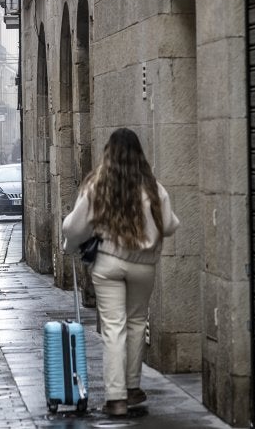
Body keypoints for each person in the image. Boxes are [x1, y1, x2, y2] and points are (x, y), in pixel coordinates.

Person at [60, 128, 180, 417]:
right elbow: (171, 224)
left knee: (113, 327)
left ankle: (116, 399)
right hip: (143, 264)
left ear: (108, 153)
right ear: (139, 154)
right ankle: (133, 388)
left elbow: (74, 227)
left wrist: (69, 246)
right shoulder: (153, 187)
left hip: (109, 262)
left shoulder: (97, 185)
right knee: (137, 322)